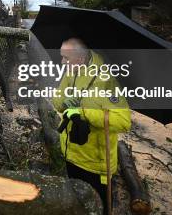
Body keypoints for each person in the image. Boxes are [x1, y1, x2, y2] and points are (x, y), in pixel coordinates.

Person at [51, 38, 131, 214]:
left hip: (96, 165)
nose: (62, 62)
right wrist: (63, 102)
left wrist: (84, 113)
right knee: (78, 203)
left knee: (99, 207)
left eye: (66, 58)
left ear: (80, 59)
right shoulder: (71, 71)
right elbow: (57, 100)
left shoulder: (107, 80)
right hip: (70, 154)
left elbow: (123, 122)